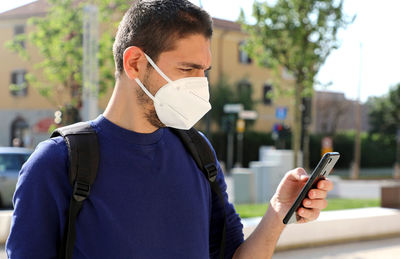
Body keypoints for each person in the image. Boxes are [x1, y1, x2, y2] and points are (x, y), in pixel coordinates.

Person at [6, 0, 334, 258]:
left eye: (203, 70)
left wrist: (277, 212)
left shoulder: (198, 153)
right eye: (187, 68)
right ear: (134, 63)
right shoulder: (57, 164)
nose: (199, 83)